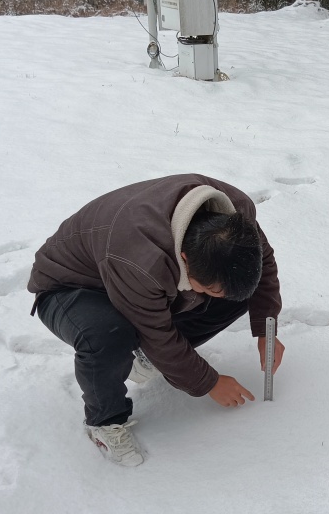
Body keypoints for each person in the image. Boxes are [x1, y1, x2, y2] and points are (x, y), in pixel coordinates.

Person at [28, 174, 284, 467]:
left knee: (235, 297)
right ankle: (104, 421)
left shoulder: (235, 217)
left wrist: (267, 328)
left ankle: (145, 359)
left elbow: (263, 266)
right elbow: (156, 333)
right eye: (210, 286)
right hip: (71, 286)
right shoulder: (141, 260)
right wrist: (209, 382)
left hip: (129, 273)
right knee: (108, 335)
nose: (216, 293)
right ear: (186, 260)